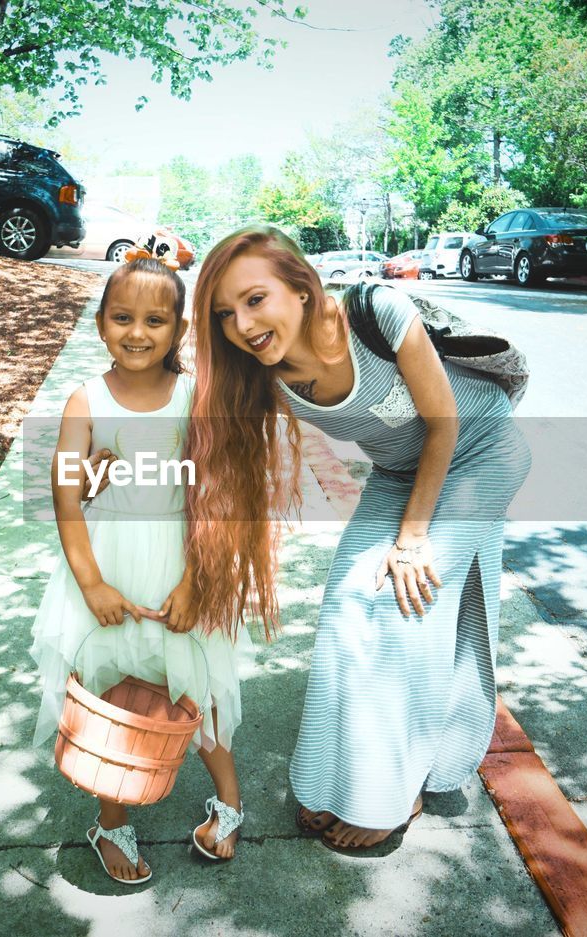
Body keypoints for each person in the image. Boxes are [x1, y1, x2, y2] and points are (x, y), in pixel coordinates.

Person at [184, 227, 530, 851]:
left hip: (480, 451)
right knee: (346, 609)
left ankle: (394, 798)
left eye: (255, 299)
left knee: (403, 605)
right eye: (225, 314)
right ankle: (332, 784)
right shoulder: (260, 375)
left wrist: (412, 538)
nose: (241, 323)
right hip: (402, 472)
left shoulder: (378, 313)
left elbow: (445, 425)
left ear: (301, 286)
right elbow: (223, 464)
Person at [28, 259, 249, 885]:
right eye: (122, 317)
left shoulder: (193, 396)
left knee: (193, 681)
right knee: (108, 689)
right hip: (109, 562)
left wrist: (196, 581)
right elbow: (68, 498)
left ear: (178, 329)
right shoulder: (86, 400)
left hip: (183, 560)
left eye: (155, 320)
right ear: (100, 324)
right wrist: (92, 583)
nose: (137, 332)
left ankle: (229, 805)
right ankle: (111, 820)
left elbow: (219, 493)